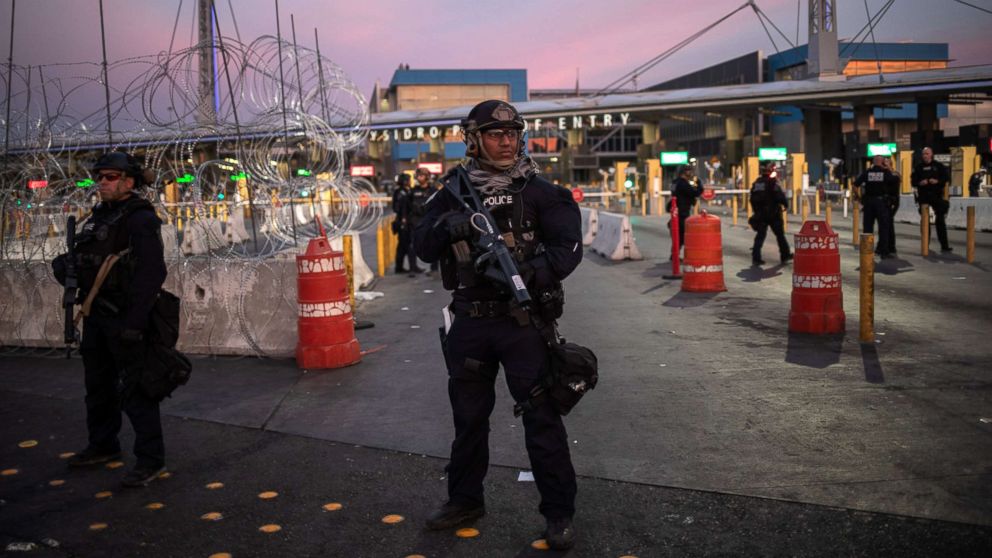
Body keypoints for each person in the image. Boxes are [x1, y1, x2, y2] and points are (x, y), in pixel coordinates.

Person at [413, 100, 582, 550]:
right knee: (468, 420)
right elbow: (421, 244)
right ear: (474, 139)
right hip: (470, 321)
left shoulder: (540, 191)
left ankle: (558, 513)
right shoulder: (452, 191)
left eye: (511, 133)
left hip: (522, 322)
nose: (506, 142)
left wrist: (533, 272)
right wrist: (448, 226)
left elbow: (569, 247)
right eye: (494, 134)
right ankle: (464, 500)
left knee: (541, 419)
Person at [52, 151, 169, 487]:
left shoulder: (139, 219)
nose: (101, 183)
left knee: (135, 391)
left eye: (110, 177)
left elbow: (152, 272)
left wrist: (135, 322)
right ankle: (103, 445)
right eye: (99, 177)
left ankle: (150, 459)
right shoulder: (99, 216)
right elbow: (87, 258)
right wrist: (66, 267)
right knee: (98, 386)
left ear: (129, 182)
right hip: (96, 315)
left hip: (124, 317)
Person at [748, 162, 793, 265]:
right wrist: (785, 204)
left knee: (760, 235)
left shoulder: (757, 183)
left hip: (761, 214)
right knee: (780, 235)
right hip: (773, 213)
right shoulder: (772, 183)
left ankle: (756, 257)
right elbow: (779, 196)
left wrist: (757, 211)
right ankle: (785, 255)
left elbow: (752, 198)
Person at [911, 147, 952, 253]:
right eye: (924, 153)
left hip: (936, 195)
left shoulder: (938, 166)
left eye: (927, 153)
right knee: (925, 221)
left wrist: (937, 181)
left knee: (940, 220)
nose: (925, 155)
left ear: (931, 154)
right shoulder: (918, 167)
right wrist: (920, 182)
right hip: (923, 196)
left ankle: (944, 245)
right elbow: (913, 181)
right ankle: (925, 244)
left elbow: (946, 178)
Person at [855, 155, 895, 259]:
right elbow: (894, 181)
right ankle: (884, 251)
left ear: (873, 162)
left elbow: (855, 185)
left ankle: (867, 251)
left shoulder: (867, 172)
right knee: (883, 228)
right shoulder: (885, 172)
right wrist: (888, 168)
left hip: (868, 202)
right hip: (881, 203)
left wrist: (859, 198)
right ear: (882, 162)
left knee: (867, 227)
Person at [392, 173, 422, 274]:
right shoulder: (401, 192)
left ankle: (405, 267)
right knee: (407, 245)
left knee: (404, 245)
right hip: (403, 222)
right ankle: (407, 268)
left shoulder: (404, 191)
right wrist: (404, 219)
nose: (410, 182)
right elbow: (398, 208)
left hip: (405, 221)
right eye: (408, 180)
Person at [671, 164, 703, 255]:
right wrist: (699, 184)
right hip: (682, 212)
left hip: (676, 212)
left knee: (679, 236)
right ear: (684, 172)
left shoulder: (675, 182)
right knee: (685, 235)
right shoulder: (683, 183)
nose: (691, 173)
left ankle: (674, 255)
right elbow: (695, 193)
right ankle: (690, 255)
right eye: (689, 171)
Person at [882, 156, 902, 256]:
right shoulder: (883, 174)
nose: (884, 165)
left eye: (886, 163)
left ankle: (891, 246)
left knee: (889, 223)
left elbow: (895, 185)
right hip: (886, 201)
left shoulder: (895, 174)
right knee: (887, 224)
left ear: (890, 164)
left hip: (893, 201)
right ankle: (887, 246)